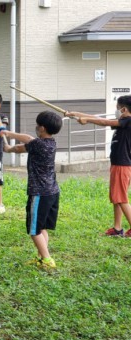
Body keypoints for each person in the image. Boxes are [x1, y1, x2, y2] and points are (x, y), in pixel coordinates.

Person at [0, 111, 62, 269]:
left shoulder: (38, 144)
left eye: (37, 125)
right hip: (52, 192)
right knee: (42, 228)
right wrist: (8, 137)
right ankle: (41, 257)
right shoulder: (51, 143)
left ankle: (47, 260)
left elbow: (25, 142)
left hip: (40, 193)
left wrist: (8, 145)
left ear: (42, 128)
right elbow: (28, 140)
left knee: (34, 230)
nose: (35, 128)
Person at [67, 95, 131, 237]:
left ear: (124, 109)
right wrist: (76, 114)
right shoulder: (124, 121)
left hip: (122, 165)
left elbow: (103, 121)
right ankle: (117, 228)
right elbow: (100, 119)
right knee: (117, 198)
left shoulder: (128, 121)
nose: (116, 111)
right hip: (119, 164)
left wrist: (87, 120)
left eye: (118, 108)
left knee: (120, 199)